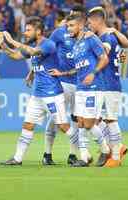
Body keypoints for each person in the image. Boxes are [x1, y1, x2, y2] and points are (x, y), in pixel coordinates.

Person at [0, 16, 79, 166]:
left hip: (52, 94)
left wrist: (11, 40)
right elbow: (16, 55)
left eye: (28, 30)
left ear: (39, 31)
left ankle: (81, 154)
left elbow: (34, 52)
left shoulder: (48, 44)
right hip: (37, 95)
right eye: (25, 30)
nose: (25, 33)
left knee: (63, 126)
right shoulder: (34, 44)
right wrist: (3, 45)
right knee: (28, 125)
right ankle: (17, 158)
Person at [52, 12, 109, 167]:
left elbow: (104, 58)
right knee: (81, 123)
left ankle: (105, 149)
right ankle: (84, 157)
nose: (68, 29)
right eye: (67, 26)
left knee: (89, 124)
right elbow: (78, 68)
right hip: (80, 88)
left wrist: (93, 73)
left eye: (71, 26)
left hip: (94, 87)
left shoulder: (91, 39)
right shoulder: (76, 44)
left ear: (81, 25)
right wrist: (62, 73)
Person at [40, 5, 86, 166]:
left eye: (76, 17)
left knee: (75, 119)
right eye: (71, 16)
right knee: (56, 117)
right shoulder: (60, 32)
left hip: (80, 84)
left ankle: (72, 154)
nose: (71, 19)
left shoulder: (88, 36)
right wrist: (33, 71)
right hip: (62, 82)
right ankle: (47, 153)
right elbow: (45, 51)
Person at [87, 6, 128, 168]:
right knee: (97, 119)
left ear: (98, 21)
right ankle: (118, 146)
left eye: (90, 23)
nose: (89, 26)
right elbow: (121, 51)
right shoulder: (110, 35)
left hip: (110, 83)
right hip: (106, 83)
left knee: (111, 119)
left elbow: (103, 54)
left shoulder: (106, 38)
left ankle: (116, 156)